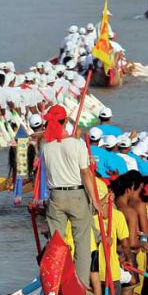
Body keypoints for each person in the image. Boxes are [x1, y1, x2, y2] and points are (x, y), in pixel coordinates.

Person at [40, 105, 100, 285]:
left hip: (55, 197)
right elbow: (86, 174)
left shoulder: (45, 147)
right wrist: (95, 201)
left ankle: (57, 282)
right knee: (82, 242)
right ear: (66, 121)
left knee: (56, 243)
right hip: (77, 195)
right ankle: (81, 284)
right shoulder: (77, 144)